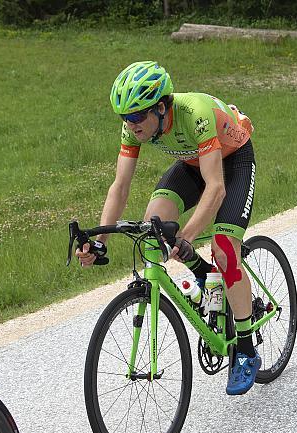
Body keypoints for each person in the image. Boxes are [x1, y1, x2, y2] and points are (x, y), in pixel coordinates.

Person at [76, 61, 260, 395]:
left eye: (136, 117)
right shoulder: (134, 127)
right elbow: (120, 186)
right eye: (124, 118)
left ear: (161, 108)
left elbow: (216, 188)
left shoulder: (196, 113)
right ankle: (203, 274)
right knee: (153, 227)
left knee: (223, 247)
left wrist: (188, 236)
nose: (131, 126)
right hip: (192, 162)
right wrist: (99, 239)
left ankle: (245, 348)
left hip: (233, 162)